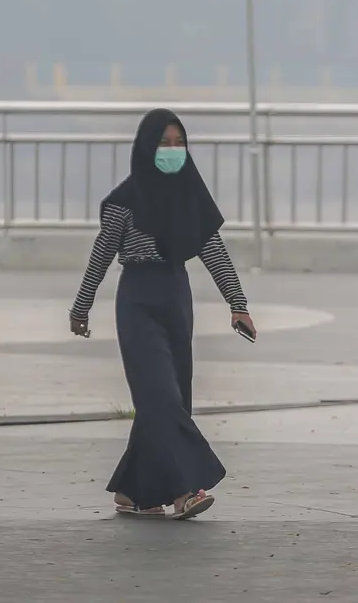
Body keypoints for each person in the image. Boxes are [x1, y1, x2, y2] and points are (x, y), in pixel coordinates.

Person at [69, 108, 255, 519]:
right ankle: (186, 489)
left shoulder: (189, 195)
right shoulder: (124, 200)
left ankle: (136, 491)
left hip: (176, 295)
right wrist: (81, 307)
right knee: (159, 396)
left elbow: (213, 251)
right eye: (163, 143)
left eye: (178, 143)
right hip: (137, 298)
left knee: (173, 397)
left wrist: (237, 304)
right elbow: (101, 255)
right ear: (146, 147)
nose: (172, 151)